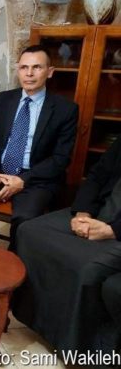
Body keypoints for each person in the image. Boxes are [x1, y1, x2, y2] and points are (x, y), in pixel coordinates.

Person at [0, 44, 79, 251]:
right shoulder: (3, 99)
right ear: (18, 70)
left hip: (35, 177)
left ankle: (13, 261)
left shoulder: (65, 109)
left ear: (50, 72)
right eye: (24, 67)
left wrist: (23, 180)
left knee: (24, 218)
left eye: (37, 67)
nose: (29, 73)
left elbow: (61, 158)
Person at [12, 136, 121, 352]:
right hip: (100, 211)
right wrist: (83, 212)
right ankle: (33, 317)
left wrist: (112, 230)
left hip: (117, 230)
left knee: (88, 267)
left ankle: (75, 345)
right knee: (29, 231)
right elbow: (97, 175)